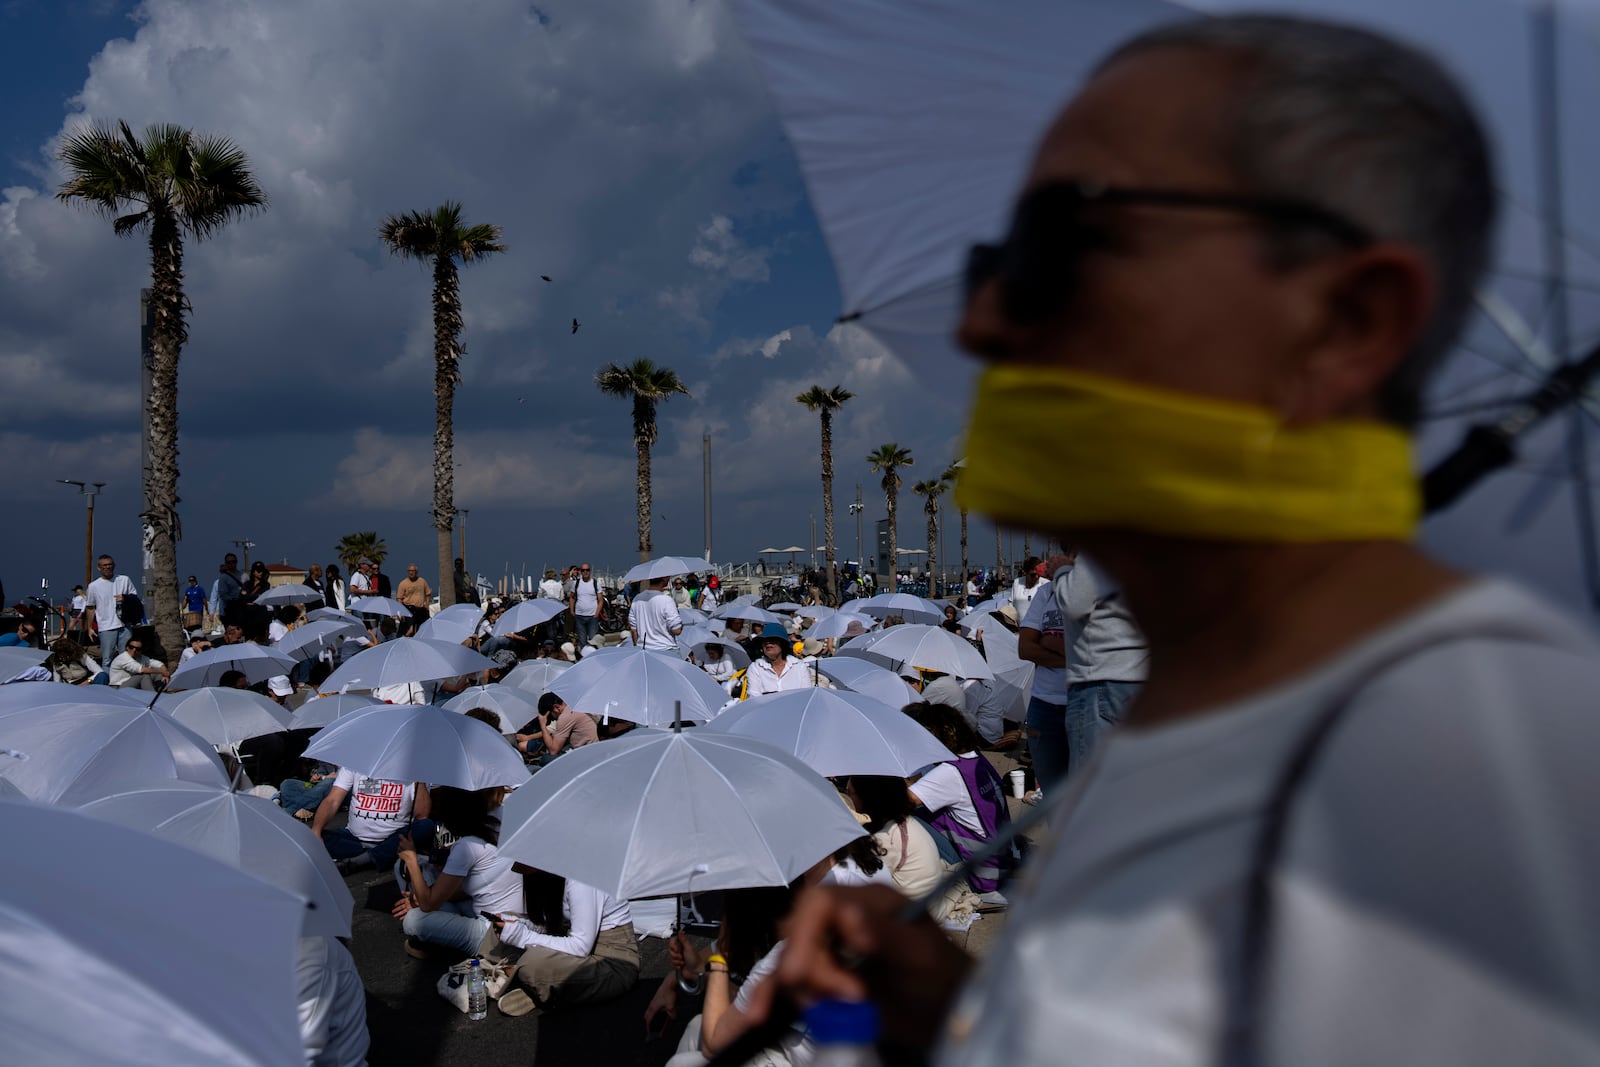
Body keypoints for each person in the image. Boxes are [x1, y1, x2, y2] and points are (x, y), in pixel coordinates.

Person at [747, 16, 1600, 1066]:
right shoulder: (1224, 727)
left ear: (1348, 321)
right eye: (992, 259)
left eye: (1066, 241)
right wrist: (957, 1021)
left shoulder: (1470, 795)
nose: (983, 324)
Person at [647, 886, 801, 1064]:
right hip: (786, 1046)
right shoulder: (779, 944)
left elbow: (714, 1043)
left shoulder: (780, 959)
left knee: (682, 1062)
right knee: (697, 1025)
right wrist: (679, 975)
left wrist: (720, 955)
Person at [481, 864, 640, 1018]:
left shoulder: (581, 880)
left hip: (612, 964)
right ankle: (496, 975)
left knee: (532, 963)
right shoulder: (554, 876)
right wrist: (522, 926)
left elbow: (580, 947)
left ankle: (530, 985)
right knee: (506, 919)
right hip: (575, 949)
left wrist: (523, 936)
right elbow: (552, 927)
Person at [391, 786, 521, 958]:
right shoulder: (499, 820)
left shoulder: (467, 846)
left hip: (495, 933)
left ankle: (448, 946)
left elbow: (429, 903)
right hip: (509, 918)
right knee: (439, 902)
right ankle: (445, 937)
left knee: (414, 921)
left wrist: (411, 859)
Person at [904, 702, 1013, 903]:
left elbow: (899, 802)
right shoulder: (974, 759)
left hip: (979, 877)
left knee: (904, 819)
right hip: (999, 863)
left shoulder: (950, 772)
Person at [844, 775, 978, 925]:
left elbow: (862, 882)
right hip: (930, 901)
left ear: (867, 797)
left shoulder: (885, 839)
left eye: (850, 793)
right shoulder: (901, 820)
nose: (848, 799)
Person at [1017, 551, 1073, 794]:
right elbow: (1025, 648)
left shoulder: (1103, 591)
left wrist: (1048, 643)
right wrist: (1075, 657)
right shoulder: (1046, 592)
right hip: (1043, 705)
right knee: (1052, 795)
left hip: (1084, 703)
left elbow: (1099, 649)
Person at [309, 766, 431, 873]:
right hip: (354, 838)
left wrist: (418, 778)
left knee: (426, 826)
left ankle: (361, 859)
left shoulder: (412, 768)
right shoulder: (354, 763)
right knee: (313, 835)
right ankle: (374, 856)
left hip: (395, 838)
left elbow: (422, 815)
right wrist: (316, 831)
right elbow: (332, 800)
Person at [514, 692, 597, 761]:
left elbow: (553, 751)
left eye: (551, 715)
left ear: (556, 707)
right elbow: (552, 729)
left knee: (546, 759)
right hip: (592, 747)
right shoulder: (572, 706)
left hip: (587, 754)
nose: (553, 718)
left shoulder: (565, 716)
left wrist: (542, 725)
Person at [84, 553, 135, 664]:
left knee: (127, 658)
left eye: (110, 565)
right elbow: (90, 607)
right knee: (107, 659)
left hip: (124, 625)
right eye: (105, 565)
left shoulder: (124, 580)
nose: (108, 567)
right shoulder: (94, 586)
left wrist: (125, 598)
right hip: (106, 627)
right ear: (99, 568)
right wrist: (89, 627)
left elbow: (135, 599)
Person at [743, 623, 812, 697]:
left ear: (782, 643)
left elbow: (806, 695)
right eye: (765, 640)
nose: (768, 643)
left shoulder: (800, 666)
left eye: (772, 640)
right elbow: (754, 698)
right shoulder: (756, 668)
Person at [628, 576, 684, 651]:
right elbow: (676, 630)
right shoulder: (666, 600)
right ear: (664, 578)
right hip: (666, 649)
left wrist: (637, 648)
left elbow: (633, 630)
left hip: (644, 650)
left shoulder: (637, 599)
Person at [569, 563, 603, 648]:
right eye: (583, 570)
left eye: (587, 570)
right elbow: (572, 597)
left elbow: (600, 600)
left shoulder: (595, 583)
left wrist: (597, 613)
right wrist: (572, 610)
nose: (585, 572)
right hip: (579, 616)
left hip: (592, 616)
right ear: (580, 571)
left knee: (593, 641)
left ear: (590, 571)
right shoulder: (576, 583)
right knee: (582, 640)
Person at [396, 564, 432, 634]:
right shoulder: (403, 583)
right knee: (409, 630)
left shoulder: (422, 581)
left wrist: (427, 604)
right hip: (408, 608)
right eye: (409, 571)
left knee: (422, 629)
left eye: (413, 571)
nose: (411, 572)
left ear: (416, 572)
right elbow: (399, 599)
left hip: (420, 609)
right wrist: (401, 612)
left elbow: (428, 593)